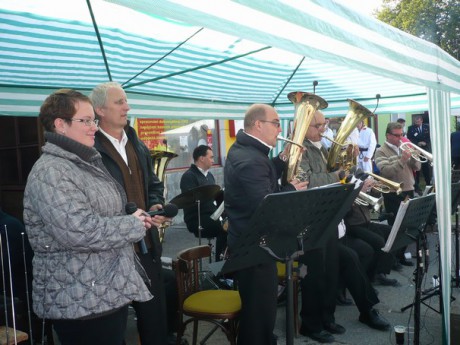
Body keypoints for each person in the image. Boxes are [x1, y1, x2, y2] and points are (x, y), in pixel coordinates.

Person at [23, 89, 153, 345]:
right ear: (60, 124)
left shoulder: (82, 162)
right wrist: (132, 224)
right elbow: (79, 231)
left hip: (102, 293)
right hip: (81, 301)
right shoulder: (53, 171)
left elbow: (101, 212)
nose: (94, 127)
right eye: (85, 120)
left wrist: (131, 214)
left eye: (94, 120)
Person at [90, 82, 177, 345]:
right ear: (100, 110)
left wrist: (155, 204)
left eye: (126, 101)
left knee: (155, 320)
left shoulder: (136, 142)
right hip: (111, 251)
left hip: (146, 246)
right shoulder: (90, 148)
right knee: (114, 324)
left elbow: (153, 182)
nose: (127, 107)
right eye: (119, 102)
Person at [298, 110, 390, 343]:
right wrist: (338, 175)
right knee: (319, 275)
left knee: (343, 262)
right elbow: (307, 180)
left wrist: (353, 175)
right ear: (303, 126)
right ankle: (311, 324)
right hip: (312, 225)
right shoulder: (299, 150)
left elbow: (338, 175)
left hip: (330, 221)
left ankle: (335, 316)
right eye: (317, 125)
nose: (323, 129)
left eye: (323, 124)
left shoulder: (323, 147)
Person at [224, 104, 307, 345]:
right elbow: (266, 204)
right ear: (258, 125)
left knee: (260, 312)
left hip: (252, 243)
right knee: (259, 316)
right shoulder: (250, 159)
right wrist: (291, 189)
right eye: (276, 122)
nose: (280, 128)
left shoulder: (248, 150)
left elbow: (264, 172)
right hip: (255, 247)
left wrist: (283, 159)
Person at [375, 122, 421, 266]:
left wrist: (413, 156)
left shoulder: (404, 147)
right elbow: (386, 171)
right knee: (395, 227)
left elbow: (417, 167)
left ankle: (400, 256)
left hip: (408, 189)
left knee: (407, 226)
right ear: (388, 135)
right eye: (397, 135)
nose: (400, 138)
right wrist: (402, 159)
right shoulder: (381, 151)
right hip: (393, 193)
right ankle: (392, 259)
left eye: (402, 134)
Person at [180, 145, 227, 261]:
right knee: (226, 228)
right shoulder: (189, 176)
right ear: (201, 158)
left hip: (212, 216)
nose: (213, 160)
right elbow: (190, 201)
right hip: (197, 218)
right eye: (211, 157)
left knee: (234, 222)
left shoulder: (209, 176)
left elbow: (215, 198)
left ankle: (229, 263)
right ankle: (220, 268)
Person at [407, 115, 432, 190]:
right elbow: (409, 138)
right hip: (416, 150)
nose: (416, 122)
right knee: (417, 167)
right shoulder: (411, 128)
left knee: (426, 168)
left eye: (418, 121)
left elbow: (430, 137)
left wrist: (426, 143)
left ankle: (428, 183)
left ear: (421, 121)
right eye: (415, 121)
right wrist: (417, 143)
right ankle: (417, 185)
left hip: (425, 150)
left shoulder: (427, 127)